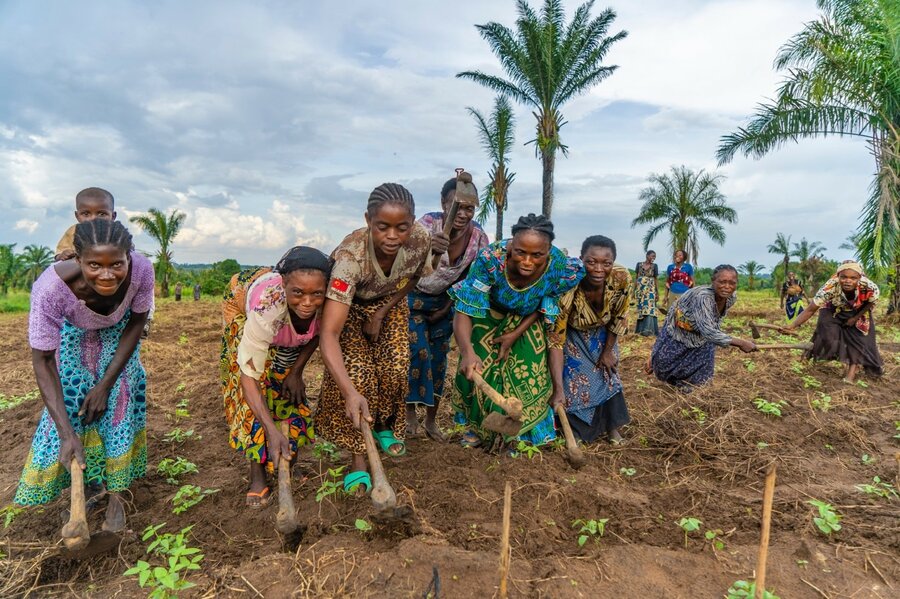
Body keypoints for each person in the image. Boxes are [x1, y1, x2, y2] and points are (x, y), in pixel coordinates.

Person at [15, 220, 154, 533]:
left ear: (129, 256)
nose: (107, 275)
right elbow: (43, 359)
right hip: (74, 337)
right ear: (77, 260)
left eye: (116, 264)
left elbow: (136, 323)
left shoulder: (143, 270)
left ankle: (117, 496)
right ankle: (90, 485)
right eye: (94, 265)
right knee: (73, 408)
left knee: (119, 405)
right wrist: (65, 433)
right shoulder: (49, 289)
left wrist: (105, 385)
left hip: (120, 339)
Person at [318, 183, 448, 494]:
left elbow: (415, 275)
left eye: (401, 227)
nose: (392, 236)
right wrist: (349, 391)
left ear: (413, 222)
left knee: (394, 368)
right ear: (368, 221)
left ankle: (385, 427)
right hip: (347, 308)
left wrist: (382, 312)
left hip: (388, 303)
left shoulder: (419, 239)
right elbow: (329, 333)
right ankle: (358, 458)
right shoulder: (350, 259)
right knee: (359, 376)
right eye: (382, 227)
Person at [450, 214, 584, 449]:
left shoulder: (558, 265)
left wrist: (515, 333)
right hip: (488, 314)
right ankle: (479, 428)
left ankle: (521, 435)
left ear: (549, 250)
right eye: (521, 252)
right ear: (511, 245)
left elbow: (545, 301)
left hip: (527, 318)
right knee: (482, 366)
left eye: (537, 255)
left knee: (528, 370)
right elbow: (465, 310)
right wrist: (467, 350)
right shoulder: (490, 260)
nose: (528, 262)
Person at [221, 247, 331, 507]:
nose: (307, 302)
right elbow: (249, 377)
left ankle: (288, 461)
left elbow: (318, 334)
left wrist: (296, 371)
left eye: (316, 293)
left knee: (287, 389)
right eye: (298, 293)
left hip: (283, 329)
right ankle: (257, 474)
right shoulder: (266, 308)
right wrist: (271, 430)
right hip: (242, 304)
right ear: (284, 285)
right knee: (248, 392)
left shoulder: (331, 301)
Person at [406, 177, 490, 441]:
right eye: (457, 206)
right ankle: (409, 415)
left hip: (446, 302)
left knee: (438, 360)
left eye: (469, 208)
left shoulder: (478, 238)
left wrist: (448, 308)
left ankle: (431, 421)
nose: (463, 214)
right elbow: (405, 259)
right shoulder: (427, 225)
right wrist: (429, 247)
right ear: (444, 203)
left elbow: (473, 277)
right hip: (412, 298)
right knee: (416, 354)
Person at [549, 236, 631, 444]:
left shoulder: (621, 277)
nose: (598, 269)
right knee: (574, 382)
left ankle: (613, 429)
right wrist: (557, 388)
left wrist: (607, 351)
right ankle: (577, 431)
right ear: (581, 259)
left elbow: (619, 316)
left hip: (604, 333)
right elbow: (557, 340)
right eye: (591, 261)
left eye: (606, 263)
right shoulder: (568, 286)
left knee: (608, 376)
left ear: (613, 262)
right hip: (573, 335)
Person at [650, 265, 756, 389]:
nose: (727, 287)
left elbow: (713, 322)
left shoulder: (731, 297)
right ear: (713, 281)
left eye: (732, 283)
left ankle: (692, 387)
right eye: (722, 282)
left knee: (703, 367)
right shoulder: (703, 297)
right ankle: (658, 367)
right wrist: (741, 343)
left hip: (703, 333)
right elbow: (708, 331)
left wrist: (716, 333)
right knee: (664, 364)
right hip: (680, 328)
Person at [782, 261, 883, 383]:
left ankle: (850, 375)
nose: (848, 281)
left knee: (859, 340)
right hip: (832, 309)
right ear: (838, 276)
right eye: (844, 277)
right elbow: (810, 309)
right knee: (828, 336)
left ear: (859, 278)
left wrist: (855, 318)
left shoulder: (870, 288)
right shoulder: (829, 287)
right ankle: (811, 354)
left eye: (853, 278)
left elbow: (870, 303)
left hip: (858, 310)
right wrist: (792, 325)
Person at [54, 187, 116, 262]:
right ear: (77, 216)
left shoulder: (117, 232)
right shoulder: (73, 231)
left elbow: (128, 249)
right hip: (78, 270)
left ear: (113, 216)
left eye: (102, 214)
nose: (93, 219)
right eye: (86, 214)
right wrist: (63, 255)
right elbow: (59, 254)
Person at [633, 250, 659, 336]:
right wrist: (634, 290)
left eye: (654, 257)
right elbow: (636, 278)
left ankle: (649, 330)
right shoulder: (639, 264)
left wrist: (657, 292)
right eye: (652, 256)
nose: (653, 258)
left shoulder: (654, 266)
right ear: (647, 255)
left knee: (650, 308)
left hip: (650, 289)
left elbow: (656, 279)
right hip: (641, 289)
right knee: (641, 308)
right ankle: (641, 329)